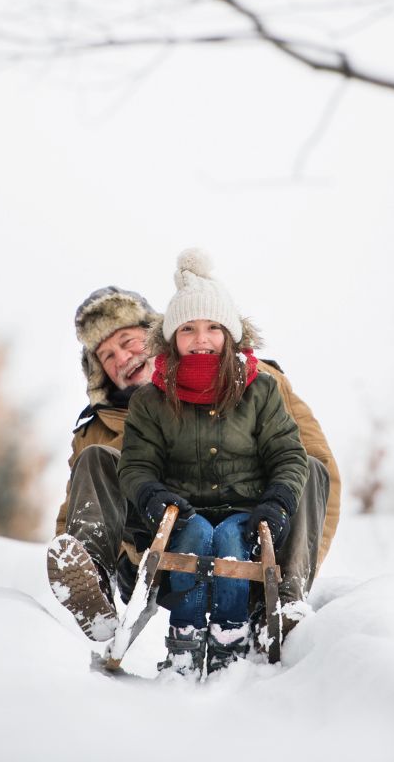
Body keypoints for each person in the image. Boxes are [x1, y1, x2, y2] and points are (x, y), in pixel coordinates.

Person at [46, 255, 340, 664]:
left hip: (252, 534)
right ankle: (95, 587)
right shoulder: (99, 427)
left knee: (307, 467)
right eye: (107, 356)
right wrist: (80, 560)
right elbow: (78, 510)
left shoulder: (261, 384)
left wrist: (291, 557)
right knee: (100, 460)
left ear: (153, 337)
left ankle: (285, 601)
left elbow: (311, 470)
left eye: (127, 341)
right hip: (152, 549)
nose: (123, 358)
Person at [118, 248, 308, 675]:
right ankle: (184, 639)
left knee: (228, 541)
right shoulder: (152, 399)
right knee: (196, 534)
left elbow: (288, 452)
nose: (201, 339)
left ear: (231, 335)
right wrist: (151, 494)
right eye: (188, 329)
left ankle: (230, 636)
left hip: (246, 509)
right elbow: (136, 463)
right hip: (181, 508)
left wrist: (277, 500)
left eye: (212, 328)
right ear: (172, 339)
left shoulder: (258, 391)